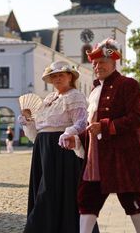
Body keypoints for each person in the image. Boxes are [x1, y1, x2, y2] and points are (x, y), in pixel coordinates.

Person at [63, 38, 140, 233]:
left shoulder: (128, 84)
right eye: (95, 63)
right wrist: (77, 138)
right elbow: (93, 126)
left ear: (113, 62)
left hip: (122, 156)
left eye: (102, 63)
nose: (98, 66)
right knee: (87, 199)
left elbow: (136, 118)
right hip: (96, 157)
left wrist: (106, 127)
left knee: (131, 200)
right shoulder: (94, 90)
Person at [20, 60, 97, 233]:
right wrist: (28, 121)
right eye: (53, 76)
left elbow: (81, 122)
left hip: (61, 149)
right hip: (43, 148)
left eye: (61, 75)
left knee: (51, 192)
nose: (57, 79)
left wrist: (68, 133)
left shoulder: (75, 96)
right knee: (44, 189)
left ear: (70, 76)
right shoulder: (48, 98)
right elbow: (37, 130)